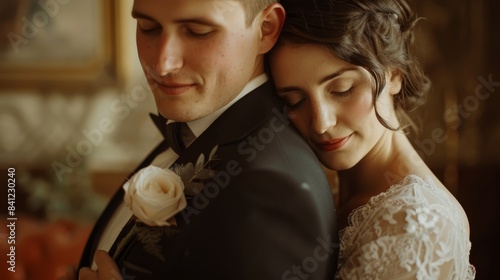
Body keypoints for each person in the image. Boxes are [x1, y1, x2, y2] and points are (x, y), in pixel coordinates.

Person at [64, 0, 339, 279]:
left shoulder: (275, 191)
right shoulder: (194, 125)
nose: (162, 64)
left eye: (197, 31)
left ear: (265, 29)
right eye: (148, 27)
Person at [269, 0, 476, 279]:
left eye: (343, 89)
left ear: (393, 75)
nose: (321, 123)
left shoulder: (416, 222)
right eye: (294, 100)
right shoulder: (323, 191)